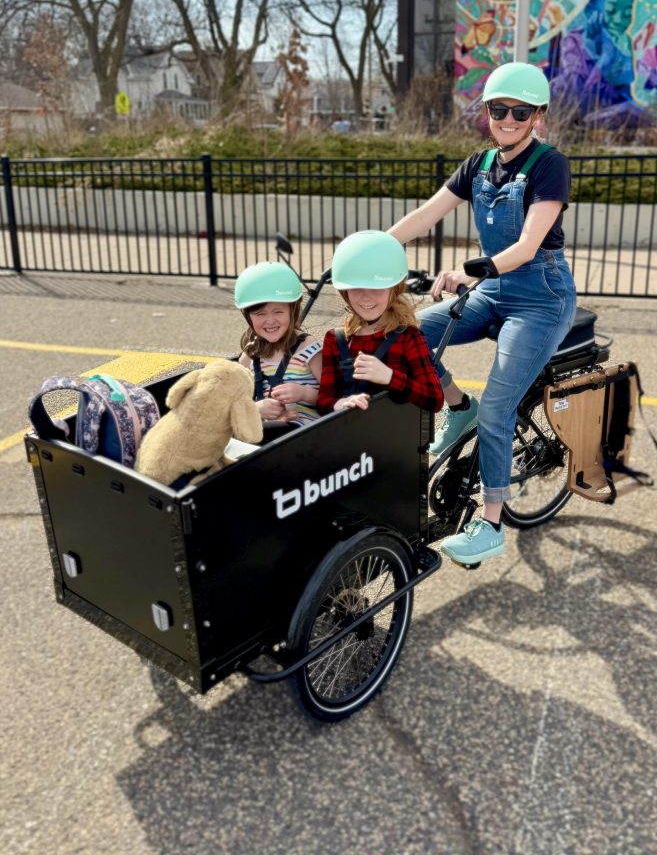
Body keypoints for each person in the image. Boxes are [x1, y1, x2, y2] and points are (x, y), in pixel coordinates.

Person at [388, 62, 576, 567]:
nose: (508, 119)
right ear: (487, 113)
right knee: (406, 335)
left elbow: (529, 243)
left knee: (500, 406)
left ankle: (490, 522)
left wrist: (474, 271)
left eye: (521, 111)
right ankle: (456, 404)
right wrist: (374, 248)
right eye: (499, 109)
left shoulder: (547, 164)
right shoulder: (478, 164)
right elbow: (427, 215)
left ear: (537, 115)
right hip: (494, 288)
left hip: (540, 295)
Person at [316, 230, 444, 416]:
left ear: (394, 289)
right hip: (347, 437)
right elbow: (323, 401)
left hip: (392, 437)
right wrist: (340, 404)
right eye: (356, 288)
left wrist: (389, 377)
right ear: (345, 292)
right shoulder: (335, 339)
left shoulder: (408, 337)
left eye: (377, 288)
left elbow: (434, 399)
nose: (366, 297)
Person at [234, 261, 322, 438]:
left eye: (278, 312)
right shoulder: (250, 356)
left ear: (292, 310)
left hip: (305, 432)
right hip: (262, 432)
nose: (270, 321)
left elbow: (334, 397)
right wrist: (255, 409)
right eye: (260, 314)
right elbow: (234, 402)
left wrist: (303, 393)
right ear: (248, 317)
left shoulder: (309, 349)